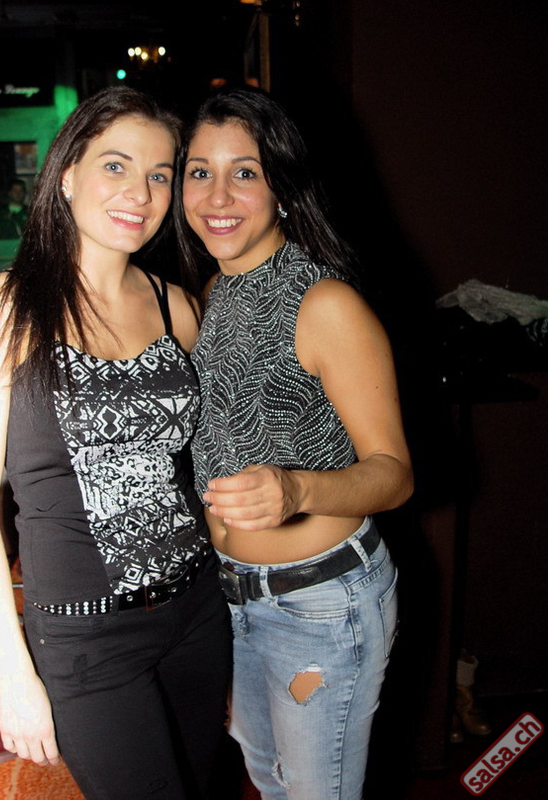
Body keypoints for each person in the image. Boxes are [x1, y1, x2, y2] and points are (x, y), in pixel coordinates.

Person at [0, 86, 231, 800]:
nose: (140, 192)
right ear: (68, 173)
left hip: (198, 611)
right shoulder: (4, 310)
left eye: (160, 174)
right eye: (115, 165)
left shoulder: (176, 304)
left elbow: (193, 466)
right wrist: (15, 677)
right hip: (84, 638)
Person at [174, 86, 414, 800]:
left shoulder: (325, 304)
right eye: (199, 171)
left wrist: (297, 487)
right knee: (266, 778)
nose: (217, 195)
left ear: (281, 187)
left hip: (322, 605)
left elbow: (395, 474)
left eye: (244, 172)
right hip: (236, 599)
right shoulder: (213, 293)